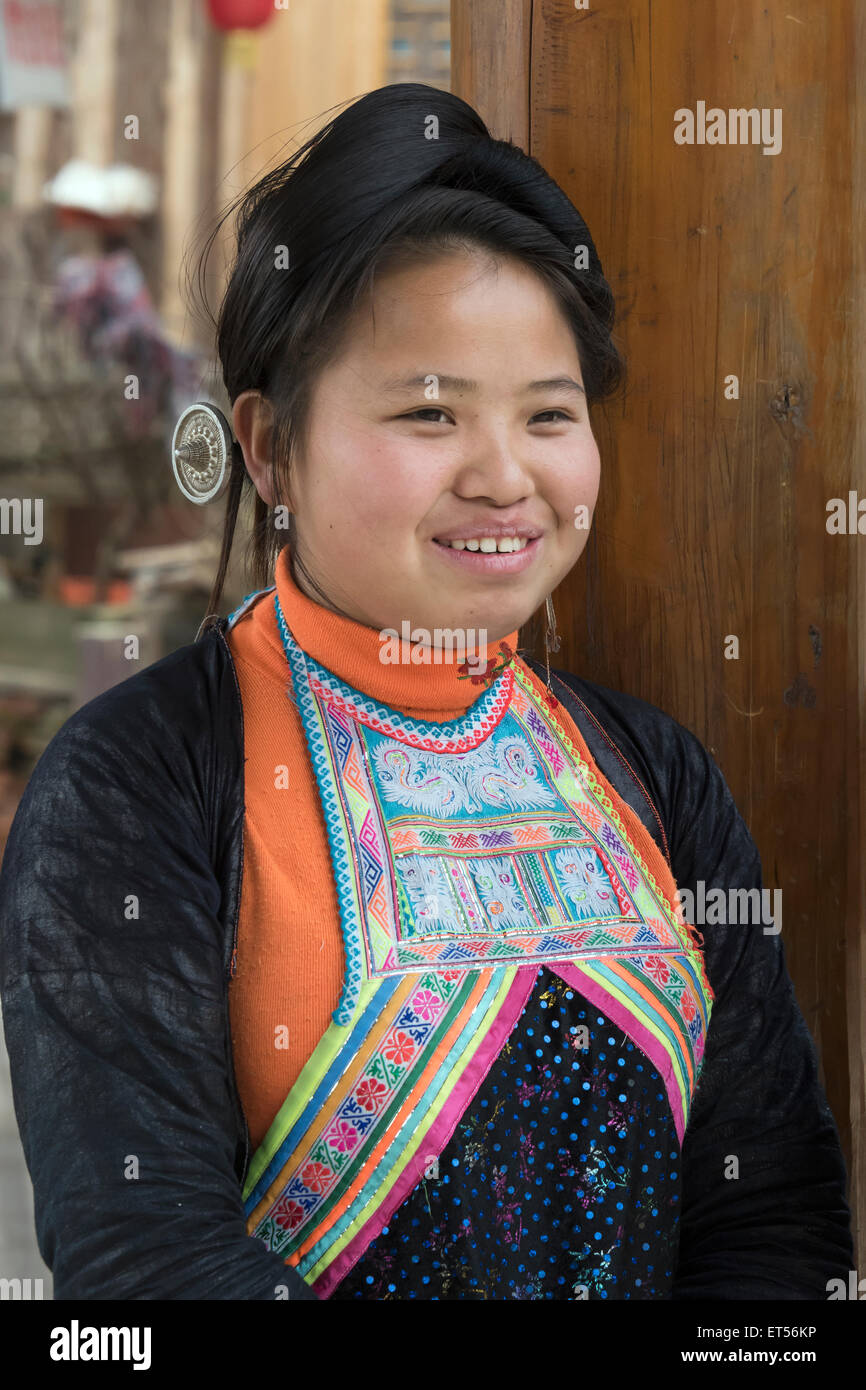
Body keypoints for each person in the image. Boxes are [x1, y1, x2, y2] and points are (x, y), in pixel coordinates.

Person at [0, 83, 853, 1301]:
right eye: (427, 412)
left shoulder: (653, 775)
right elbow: (147, 1259)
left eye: (549, 414)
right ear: (268, 445)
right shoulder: (138, 782)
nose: (506, 476)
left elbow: (768, 1213)